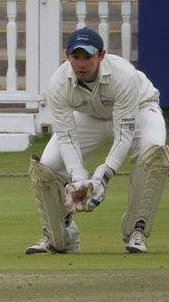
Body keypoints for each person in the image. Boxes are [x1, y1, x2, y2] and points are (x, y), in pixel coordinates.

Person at [26, 27, 168, 255]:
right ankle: (60, 236)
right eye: (76, 57)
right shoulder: (58, 83)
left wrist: (103, 175)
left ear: (101, 55)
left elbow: (124, 133)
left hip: (139, 108)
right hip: (90, 114)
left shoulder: (124, 76)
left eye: (88, 57)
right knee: (47, 166)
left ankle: (136, 231)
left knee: (154, 154)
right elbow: (66, 135)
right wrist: (79, 177)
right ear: (67, 56)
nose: (81, 64)